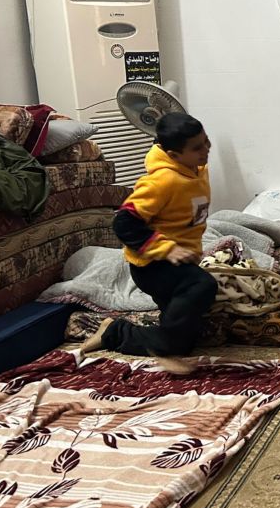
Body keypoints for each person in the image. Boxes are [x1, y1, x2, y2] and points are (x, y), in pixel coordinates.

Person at [80, 112, 216, 374]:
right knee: (203, 284)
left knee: (183, 341)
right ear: (174, 155)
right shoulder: (161, 181)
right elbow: (124, 222)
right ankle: (160, 347)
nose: (206, 150)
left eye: (206, 142)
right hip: (153, 265)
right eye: (197, 148)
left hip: (181, 260)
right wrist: (167, 248)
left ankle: (115, 332)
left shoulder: (198, 170)